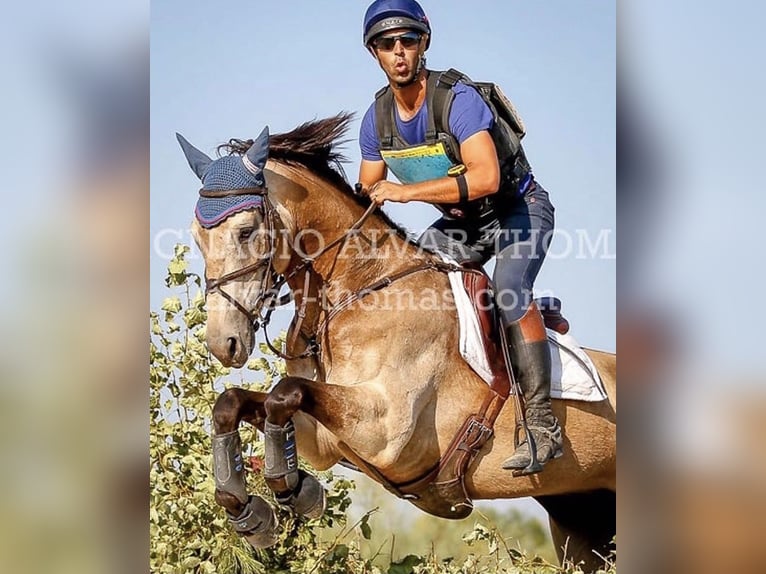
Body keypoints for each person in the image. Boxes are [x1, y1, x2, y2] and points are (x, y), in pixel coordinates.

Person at [357, 0, 562, 474]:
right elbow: (368, 189)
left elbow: (487, 178)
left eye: (408, 40)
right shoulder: (377, 119)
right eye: (387, 44)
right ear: (375, 54)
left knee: (510, 292)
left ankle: (542, 425)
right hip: (462, 226)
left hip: (517, 211)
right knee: (407, 282)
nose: (399, 51)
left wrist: (406, 192)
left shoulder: (457, 99)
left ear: (424, 44)